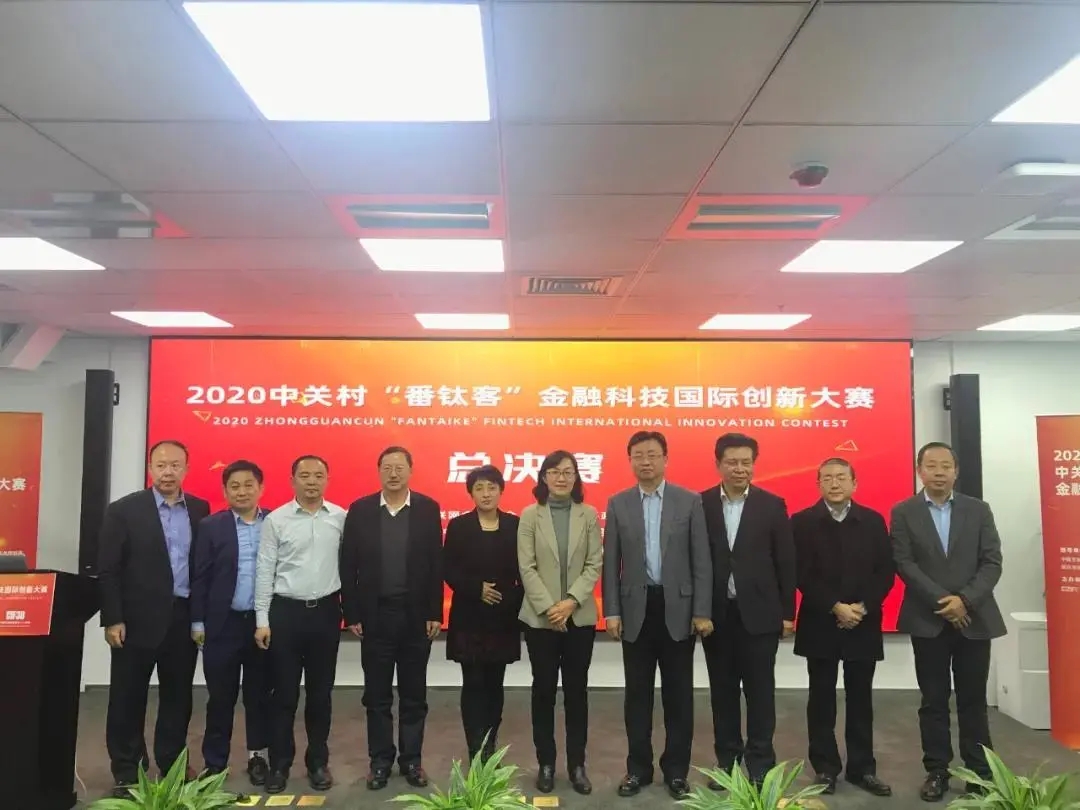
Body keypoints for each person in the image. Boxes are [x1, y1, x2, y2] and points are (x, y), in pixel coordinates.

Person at [891, 441, 1005, 802]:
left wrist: (965, 600)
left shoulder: (978, 509)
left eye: (946, 466)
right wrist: (945, 601)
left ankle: (979, 774)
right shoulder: (904, 511)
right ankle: (937, 770)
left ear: (956, 471)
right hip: (929, 620)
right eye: (931, 466)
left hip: (975, 618)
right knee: (933, 700)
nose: (939, 472)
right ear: (919, 471)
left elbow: (992, 561)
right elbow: (904, 563)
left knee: (973, 700)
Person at [602, 431, 712, 800]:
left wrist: (701, 610)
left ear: (665, 458)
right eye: (638, 455)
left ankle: (676, 771)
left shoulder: (689, 501)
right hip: (636, 609)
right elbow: (611, 563)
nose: (645, 461)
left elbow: (701, 561)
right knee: (637, 696)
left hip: (678, 609)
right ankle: (638, 769)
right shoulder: (618, 503)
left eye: (652, 454)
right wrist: (612, 611)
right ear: (630, 460)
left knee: (679, 696)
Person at [97, 440, 210, 797]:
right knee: (127, 698)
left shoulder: (200, 509)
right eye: (161, 465)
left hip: (183, 618)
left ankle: (172, 763)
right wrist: (112, 618)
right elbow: (108, 569)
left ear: (186, 469)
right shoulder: (124, 510)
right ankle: (128, 769)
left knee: (178, 697)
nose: (168, 472)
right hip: (135, 621)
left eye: (175, 465)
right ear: (150, 468)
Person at [340, 446, 444, 791]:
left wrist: (435, 611)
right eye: (387, 467)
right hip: (376, 616)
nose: (394, 473)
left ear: (410, 471)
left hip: (415, 617)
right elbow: (348, 565)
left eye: (400, 467)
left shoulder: (427, 509)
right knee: (377, 695)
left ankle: (412, 761)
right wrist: (352, 612)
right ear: (379, 471)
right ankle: (380, 761)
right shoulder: (361, 510)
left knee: (414, 694)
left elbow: (435, 563)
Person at [792, 458, 894, 797]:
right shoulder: (802, 522)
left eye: (841, 477)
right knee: (821, 698)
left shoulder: (873, 521)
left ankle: (862, 769)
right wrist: (835, 606)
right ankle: (825, 768)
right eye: (827, 478)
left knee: (861, 698)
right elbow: (801, 573)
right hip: (821, 621)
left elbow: (885, 571)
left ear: (854, 483)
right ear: (818, 484)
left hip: (863, 622)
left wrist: (861, 608)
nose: (834, 483)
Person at [700, 433, 795, 788]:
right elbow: (696, 561)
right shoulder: (702, 504)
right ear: (718, 465)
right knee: (722, 694)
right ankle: (727, 762)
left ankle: (760, 764)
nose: (739, 469)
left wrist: (788, 613)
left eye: (745, 462)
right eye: (732, 462)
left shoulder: (772, 505)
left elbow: (785, 562)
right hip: (717, 616)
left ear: (754, 464)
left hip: (761, 615)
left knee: (760, 693)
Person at [254, 455, 346, 794]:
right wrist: (262, 619)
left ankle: (317, 762)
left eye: (318, 475)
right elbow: (265, 570)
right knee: (284, 695)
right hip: (286, 614)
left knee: (321, 695)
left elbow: (351, 566)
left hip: (325, 612)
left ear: (327, 480)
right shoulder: (276, 520)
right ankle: (280, 765)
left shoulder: (340, 518)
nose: (311, 481)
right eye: (304, 475)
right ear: (292, 480)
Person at [518, 450, 603, 796]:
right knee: (543, 692)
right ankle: (546, 763)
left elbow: (594, 563)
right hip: (540, 620)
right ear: (543, 477)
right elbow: (526, 566)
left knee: (576, 693)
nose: (562, 478)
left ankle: (577, 765)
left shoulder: (588, 514)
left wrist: (570, 602)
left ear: (576, 477)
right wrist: (550, 607)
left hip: (578, 617)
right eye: (554, 472)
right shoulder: (530, 515)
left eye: (568, 472)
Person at [190, 459, 273, 784]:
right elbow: (200, 576)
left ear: (260, 488)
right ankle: (215, 762)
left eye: (248, 485)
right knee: (220, 698)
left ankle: (258, 757)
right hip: (222, 625)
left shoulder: (275, 523)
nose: (242, 491)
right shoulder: (211, 526)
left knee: (259, 696)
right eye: (234, 486)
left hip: (261, 625)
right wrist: (198, 621)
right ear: (225, 491)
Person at [443, 465, 524, 763]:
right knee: (473, 684)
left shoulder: (515, 525)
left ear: (501, 490)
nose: (486, 493)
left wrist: (511, 598)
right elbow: (448, 568)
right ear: (471, 493)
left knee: (495, 686)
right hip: (469, 617)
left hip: (503, 618)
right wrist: (477, 589)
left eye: (491, 487)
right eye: (479, 488)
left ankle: (491, 748)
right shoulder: (459, 526)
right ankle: (475, 749)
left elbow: (525, 569)